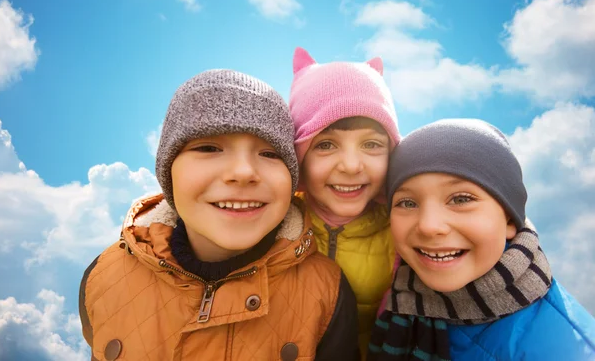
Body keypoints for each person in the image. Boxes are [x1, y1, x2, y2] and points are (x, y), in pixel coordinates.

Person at [79, 69, 359, 361]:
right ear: (168, 171)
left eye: (269, 154)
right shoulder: (103, 276)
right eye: (209, 147)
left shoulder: (327, 293)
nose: (243, 172)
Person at [369, 118, 595, 360]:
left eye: (461, 199)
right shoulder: (401, 300)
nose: (429, 226)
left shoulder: (567, 349)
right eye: (407, 202)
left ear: (509, 219)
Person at [289, 47, 401, 355]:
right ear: (298, 156)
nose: (351, 165)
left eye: (371, 144)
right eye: (325, 144)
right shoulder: (273, 225)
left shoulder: (406, 230)